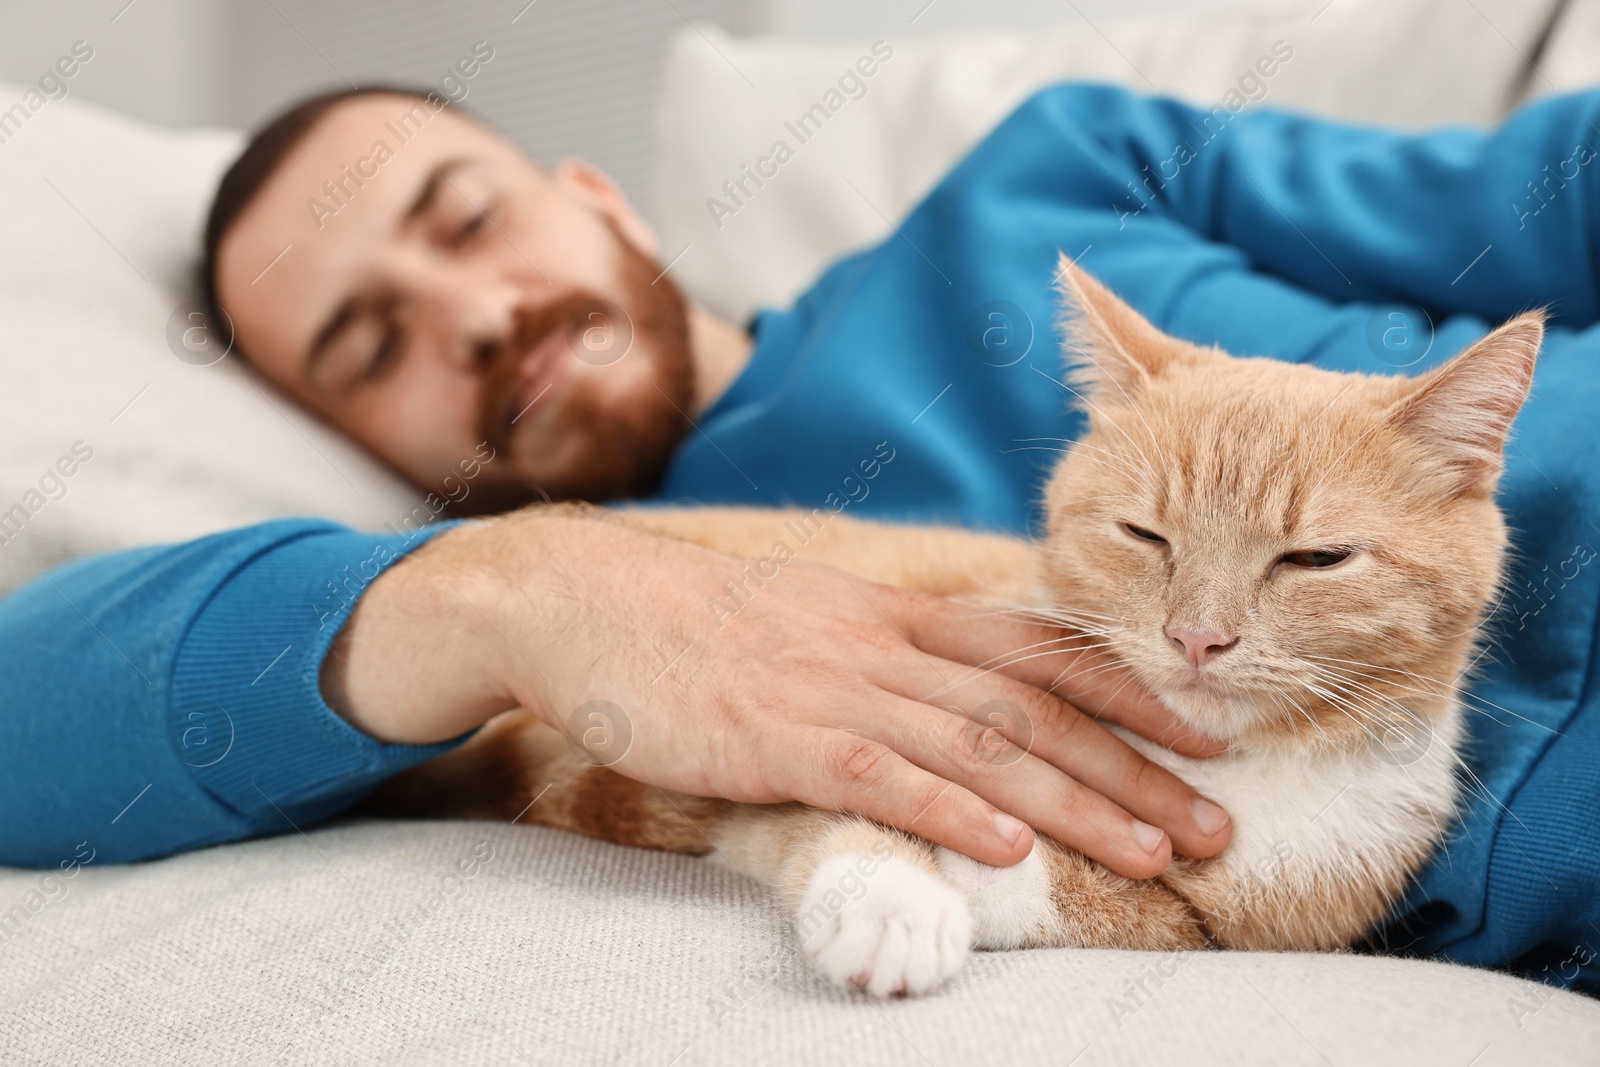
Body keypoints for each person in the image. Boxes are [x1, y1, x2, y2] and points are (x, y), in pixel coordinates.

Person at [4, 78, 1597, 991]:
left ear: (597, 195)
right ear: (354, 445)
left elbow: (1553, 194)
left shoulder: (1052, 173)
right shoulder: (594, 618)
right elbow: (27, 717)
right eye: (370, 349)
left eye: (467, 220)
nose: (478, 317)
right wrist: (504, 587)